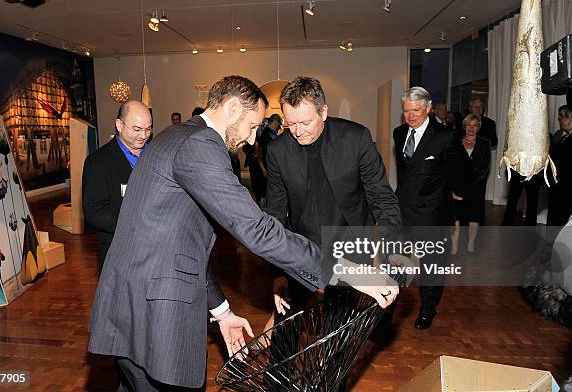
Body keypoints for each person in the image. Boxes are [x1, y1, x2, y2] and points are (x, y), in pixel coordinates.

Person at [88, 75, 398, 391]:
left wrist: (222, 312)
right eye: (252, 126)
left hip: (130, 302)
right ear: (234, 108)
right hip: (153, 308)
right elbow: (258, 228)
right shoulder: (201, 144)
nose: (252, 140)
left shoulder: (175, 136)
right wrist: (347, 271)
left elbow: (181, 241)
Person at [263, 76, 402, 391]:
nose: (298, 131)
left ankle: (330, 385)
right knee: (286, 324)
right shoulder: (278, 150)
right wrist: (277, 272)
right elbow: (273, 216)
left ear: (323, 112)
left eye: (306, 122)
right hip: (302, 247)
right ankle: (276, 383)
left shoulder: (355, 139)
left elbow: (382, 198)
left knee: (336, 333)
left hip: (348, 247)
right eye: (290, 123)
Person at [394, 86, 467, 330]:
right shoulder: (398, 133)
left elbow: (462, 170)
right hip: (402, 211)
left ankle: (428, 309)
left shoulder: (445, 137)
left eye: (416, 110)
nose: (411, 115)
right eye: (406, 111)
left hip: (433, 213)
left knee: (431, 264)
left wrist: (458, 190)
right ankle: (390, 303)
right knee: (395, 260)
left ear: (428, 108)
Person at [82, 100, 152, 272]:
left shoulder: (156, 154)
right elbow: (94, 211)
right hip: (119, 253)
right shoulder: (98, 162)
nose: (143, 135)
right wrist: (135, 226)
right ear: (119, 125)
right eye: (136, 129)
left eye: (148, 129)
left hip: (155, 252)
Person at [451, 114, 491, 254]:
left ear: (478, 127)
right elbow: (450, 165)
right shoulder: (455, 142)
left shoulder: (485, 143)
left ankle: (470, 243)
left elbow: (484, 167)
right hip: (457, 187)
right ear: (464, 127)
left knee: (474, 217)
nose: (471, 128)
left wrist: (468, 183)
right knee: (455, 217)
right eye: (468, 125)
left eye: (474, 125)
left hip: (476, 187)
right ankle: (454, 246)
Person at [548, 105, 572, 226]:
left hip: (567, 186)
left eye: (563, 117)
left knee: (561, 218)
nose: (560, 119)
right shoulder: (564, 136)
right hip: (559, 184)